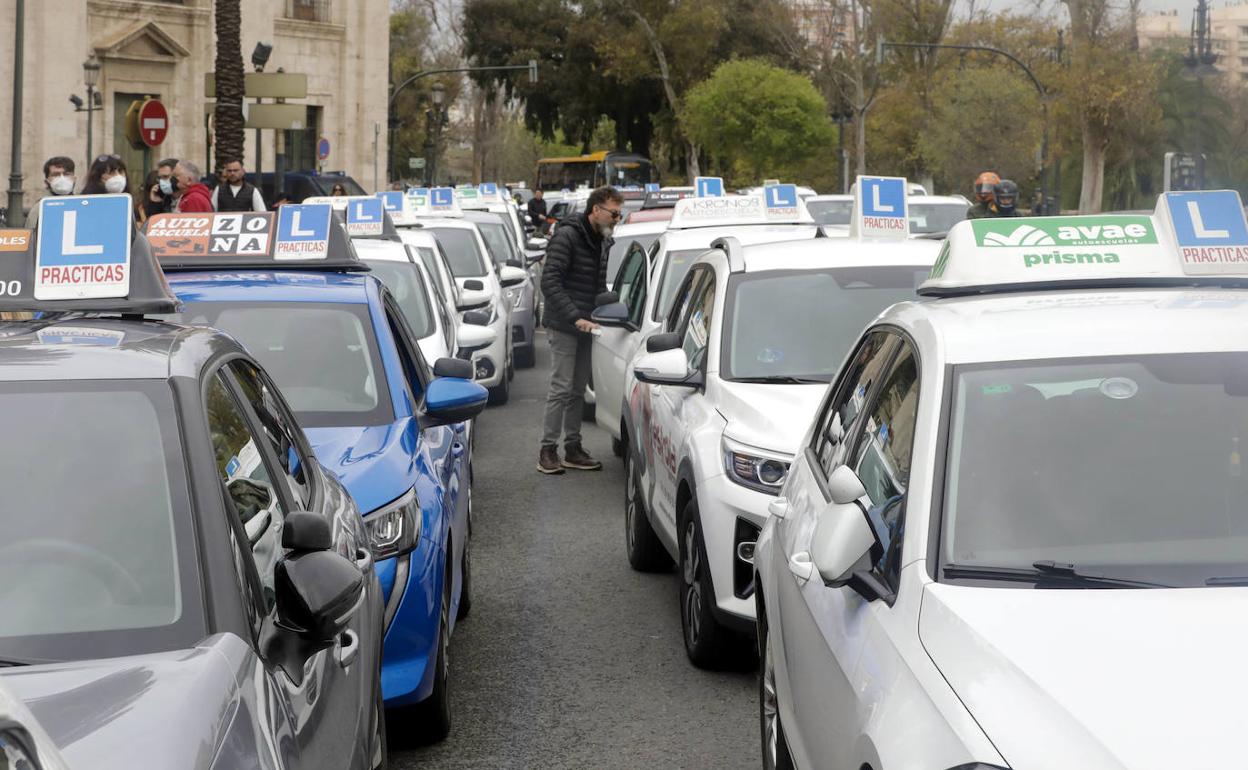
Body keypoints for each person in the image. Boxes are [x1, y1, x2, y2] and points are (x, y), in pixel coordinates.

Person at [537, 185, 624, 474]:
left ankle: (572, 448)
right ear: (595, 209)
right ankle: (547, 450)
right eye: (613, 213)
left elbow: (598, 287)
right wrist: (576, 317)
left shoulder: (602, 240)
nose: (616, 219)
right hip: (564, 323)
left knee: (577, 390)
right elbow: (549, 282)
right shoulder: (568, 236)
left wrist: (606, 314)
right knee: (561, 388)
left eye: (619, 214)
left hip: (587, 325)